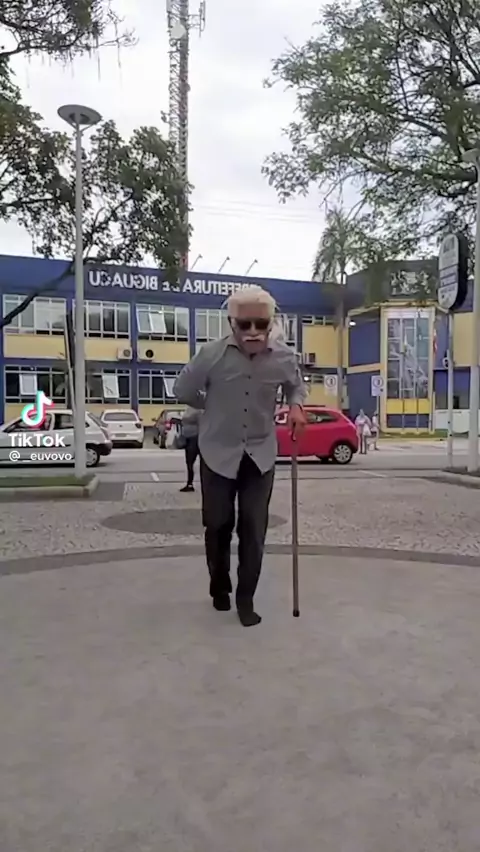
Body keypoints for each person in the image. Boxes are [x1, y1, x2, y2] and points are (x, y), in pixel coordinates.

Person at [174, 286, 306, 627]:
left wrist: (296, 406)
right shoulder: (211, 355)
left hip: (260, 453)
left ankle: (246, 599)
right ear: (231, 322)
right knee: (218, 524)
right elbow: (182, 389)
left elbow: (295, 385)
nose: (253, 332)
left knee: (253, 528)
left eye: (261, 324)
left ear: (270, 323)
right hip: (217, 451)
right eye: (244, 324)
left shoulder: (283, 357)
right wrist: (210, 404)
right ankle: (219, 584)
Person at [179, 406, 201, 492]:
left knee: (197, 462)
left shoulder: (198, 409)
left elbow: (201, 422)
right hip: (187, 437)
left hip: (195, 437)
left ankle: (192, 483)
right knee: (189, 462)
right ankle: (189, 483)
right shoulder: (188, 408)